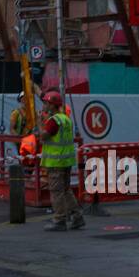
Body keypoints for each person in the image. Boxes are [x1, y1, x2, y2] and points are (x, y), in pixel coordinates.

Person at [40, 90, 84, 231]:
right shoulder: (66, 119)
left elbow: (43, 136)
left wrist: (39, 122)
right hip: (66, 161)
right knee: (66, 190)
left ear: (52, 105)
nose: (45, 105)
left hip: (56, 162)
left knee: (56, 191)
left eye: (46, 103)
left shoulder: (53, 121)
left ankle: (59, 219)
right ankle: (77, 216)